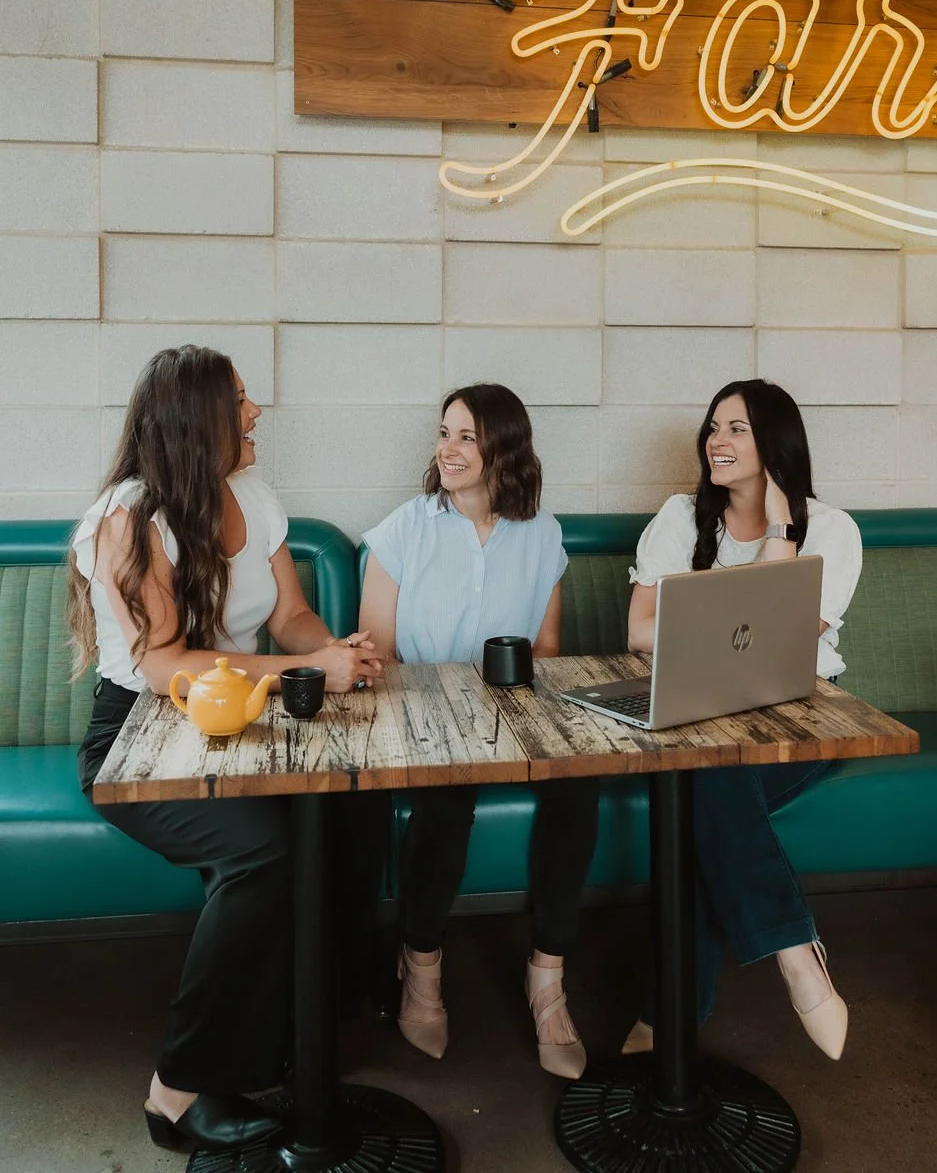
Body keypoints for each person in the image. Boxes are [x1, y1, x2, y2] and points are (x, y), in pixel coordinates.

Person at [69, 345, 383, 1155]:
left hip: (246, 722)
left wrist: (334, 651)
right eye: (240, 401)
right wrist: (302, 669)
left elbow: (291, 618)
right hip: (140, 735)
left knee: (356, 811)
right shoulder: (128, 520)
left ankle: (303, 1033)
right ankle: (174, 1094)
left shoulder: (254, 497)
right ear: (195, 423)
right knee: (260, 857)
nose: (254, 412)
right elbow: (165, 664)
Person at [359, 383, 598, 1079]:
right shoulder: (405, 527)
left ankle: (547, 980)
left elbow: (547, 650)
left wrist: (517, 719)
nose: (448, 449)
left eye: (466, 436)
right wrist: (450, 718)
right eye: (444, 434)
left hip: (519, 717)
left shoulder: (542, 533)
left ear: (505, 447)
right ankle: (421, 968)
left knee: (577, 786)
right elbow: (378, 651)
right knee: (445, 796)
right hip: (423, 717)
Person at [623, 378, 862, 1061]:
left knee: (703, 780)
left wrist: (783, 530)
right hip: (699, 713)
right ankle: (796, 950)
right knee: (709, 770)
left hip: (806, 719)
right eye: (714, 427)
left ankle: (669, 1014)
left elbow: (775, 639)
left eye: (738, 429)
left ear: (776, 443)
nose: (716, 442)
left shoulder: (832, 530)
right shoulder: (679, 518)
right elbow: (638, 632)